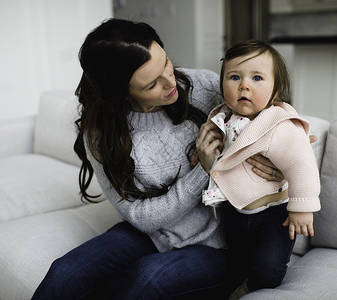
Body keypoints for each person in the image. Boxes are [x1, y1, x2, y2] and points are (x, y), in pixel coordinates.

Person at [31, 19, 286, 300]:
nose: (171, 81)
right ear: (121, 93)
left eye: (166, 62)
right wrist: (205, 170)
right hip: (153, 233)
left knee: (146, 279)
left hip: (224, 242)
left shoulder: (205, 86)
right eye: (152, 84)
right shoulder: (101, 133)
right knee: (65, 273)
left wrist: (279, 161)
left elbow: (277, 115)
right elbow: (140, 217)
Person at [197, 40, 321, 299]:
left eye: (257, 78)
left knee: (268, 268)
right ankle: (238, 281)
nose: (244, 85)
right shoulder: (222, 118)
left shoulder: (278, 126)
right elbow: (220, 152)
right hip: (236, 212)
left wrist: (302, 207)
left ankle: (251, 288)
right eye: (234, 77)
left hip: (273, 216)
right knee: (237, 261)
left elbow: (302, 165)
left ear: (276, 91)